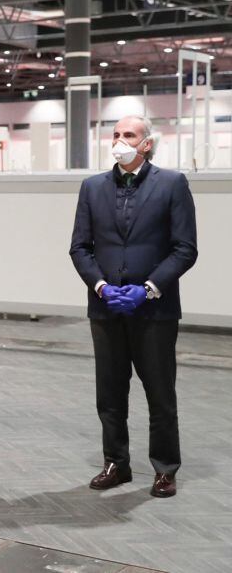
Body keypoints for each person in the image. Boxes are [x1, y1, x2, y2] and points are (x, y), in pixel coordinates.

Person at [69, 115, 197, 498]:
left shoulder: (172, 184)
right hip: (106, 308)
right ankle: (116, 463)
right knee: (109, 393)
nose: (120, 140)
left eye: (129, 135)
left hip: (154, 310)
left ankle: (164, 468)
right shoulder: (92, 188)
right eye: (115, 134)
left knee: (160, 393)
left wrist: (150, 287)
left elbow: (185, 248)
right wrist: (102, 286)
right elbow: (80, 247)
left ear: (147, 144)